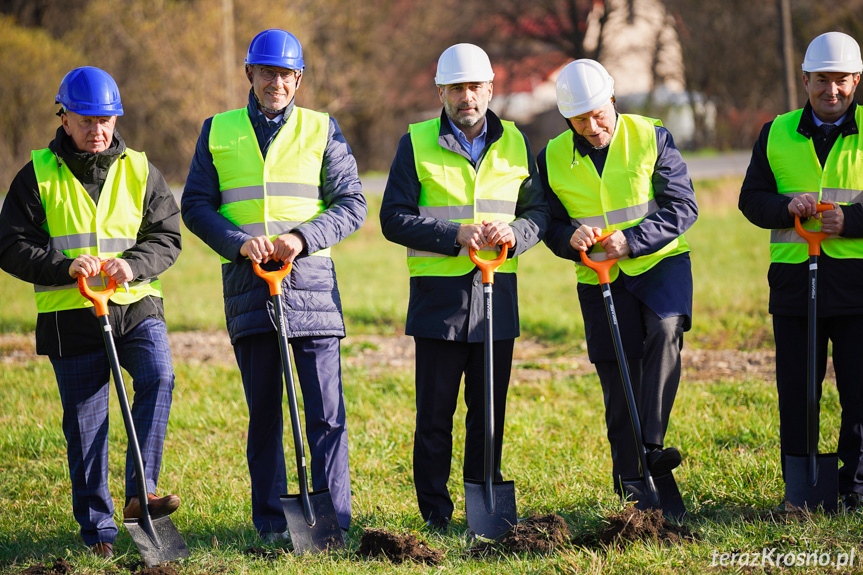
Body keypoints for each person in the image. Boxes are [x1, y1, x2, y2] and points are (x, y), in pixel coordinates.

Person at [182, 29, 365, 539]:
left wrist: (302, 238)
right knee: (264, 414)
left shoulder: (322, 129)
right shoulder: (217, 130)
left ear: (299, 79)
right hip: (248, 286)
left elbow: (352, 203)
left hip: (311, 286)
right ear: (250, 76)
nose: (276, 82)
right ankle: (271, 524)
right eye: (267, 73)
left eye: (286, 74)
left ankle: (332, 522)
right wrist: (239, 242)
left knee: (326, 413)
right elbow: (195, 205)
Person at [0, 67, 182, 558]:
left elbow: (167, 237)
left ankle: (139, 493)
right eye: (86, 121)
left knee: (159, 378)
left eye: (106, 120)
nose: (98, 131)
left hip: (135, 305)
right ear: (64, 118)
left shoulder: (142, 169)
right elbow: (10, 244)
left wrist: (132, 265)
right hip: (69, 315)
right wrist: (62, 267)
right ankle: (98, 532)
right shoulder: (36, 175)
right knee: (85, 425)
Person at [380, 43, 549, 532]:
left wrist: (516, 235)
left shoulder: (516, 142)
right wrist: (451, 235)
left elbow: (538, 213)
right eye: (456, 88)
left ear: (490, 89)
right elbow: (393, 218)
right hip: (439, 300)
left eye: (475, 87)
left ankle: (485, 503)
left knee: (489, 410)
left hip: (498, 296)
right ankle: (435, 513)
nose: (466, 96)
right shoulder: (414, 143)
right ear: (441, 91)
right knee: (435, 415)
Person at [539, 59, 698, 496]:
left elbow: (683, 206)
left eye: (598, 114)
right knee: (617, 378)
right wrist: (570, 238)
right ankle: (633, 486)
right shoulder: (551, 156)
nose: (591, 126)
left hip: (658, 265)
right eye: (579, 119)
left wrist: (633, 240)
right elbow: (547, 224)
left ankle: (650, 445)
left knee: (665, 331)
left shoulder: (650, 136)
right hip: (598, 279)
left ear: (612, 99)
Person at [739, 31, 863, 510]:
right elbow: (751, 200)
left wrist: (849, 221)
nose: (831, 91)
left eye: (841, 81)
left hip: (857, 288)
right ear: (805, 79)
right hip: (794, 286)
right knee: (797, 393)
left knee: (859, 394)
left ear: (856, 80)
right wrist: (787, 207)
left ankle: (855, 488)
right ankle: (802, 489)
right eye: (821, 80)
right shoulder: (776, 131)